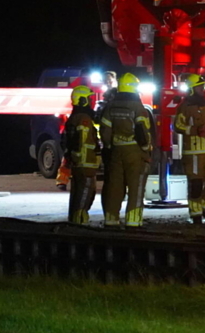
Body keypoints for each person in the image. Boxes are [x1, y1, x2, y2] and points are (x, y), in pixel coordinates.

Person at [99, 72, 153, 228]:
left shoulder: (111, 106)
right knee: (136, 187)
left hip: (116, 150)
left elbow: (105, 131)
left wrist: (109, 146)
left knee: (115, 187)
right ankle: (133, 221)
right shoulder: (137, 107)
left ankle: (111, 219)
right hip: (134, 151)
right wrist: (145, 150)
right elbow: (142, 131)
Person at [175, 73, 205, 224]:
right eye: (200, 87)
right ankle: (196, 213)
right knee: (196, 184)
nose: (203, 89)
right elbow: (177, 126)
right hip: (193, 152)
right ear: (192, 89)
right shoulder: (184, 107)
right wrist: (195, 130)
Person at [62, 85, 101, 224]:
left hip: (79, 162)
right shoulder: (83, 118)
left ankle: (74, 218)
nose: (91, 102)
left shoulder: (74, 117)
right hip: (86, 162)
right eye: (89, 99)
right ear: (82, 100)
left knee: (77, 191)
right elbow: (83, 140)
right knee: (86, 191)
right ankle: (79, 219)